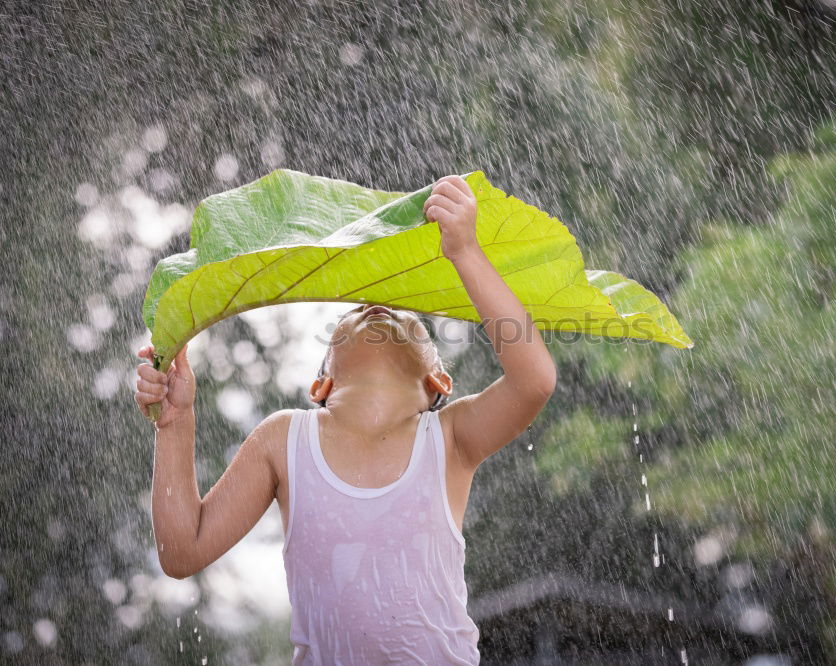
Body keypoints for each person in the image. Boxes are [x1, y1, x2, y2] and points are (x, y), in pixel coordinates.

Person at [134, 174, 558, 665]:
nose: (377, 306)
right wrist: (176, 422)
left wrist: (464, 251)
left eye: (411, 321)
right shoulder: (285, 439)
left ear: (438, 383)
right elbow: (182, 552)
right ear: (321, 388)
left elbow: (535, 380)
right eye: (354, 312)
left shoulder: (449, 438)